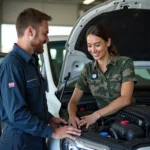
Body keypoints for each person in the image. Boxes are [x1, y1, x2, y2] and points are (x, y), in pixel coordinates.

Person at [0, 8, 81, 150]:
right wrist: (53, 132)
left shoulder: (32, 62)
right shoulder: (12, 65)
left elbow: (32, 102)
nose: (47, 39)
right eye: (45, 33)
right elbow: (17, 114)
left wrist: (49, 118)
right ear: (30, 31)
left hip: (35, 139)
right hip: (19, 143)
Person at [68, 24, 137, 129]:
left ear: (108, 42)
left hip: (129, 120)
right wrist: (72, 116)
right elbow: (73, 101)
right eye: (89, 45)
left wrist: (95, 115)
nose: (93, 50)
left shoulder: (124, 63)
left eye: (97, 45)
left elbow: (125, 99)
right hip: (104, 121)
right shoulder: (88, 69)